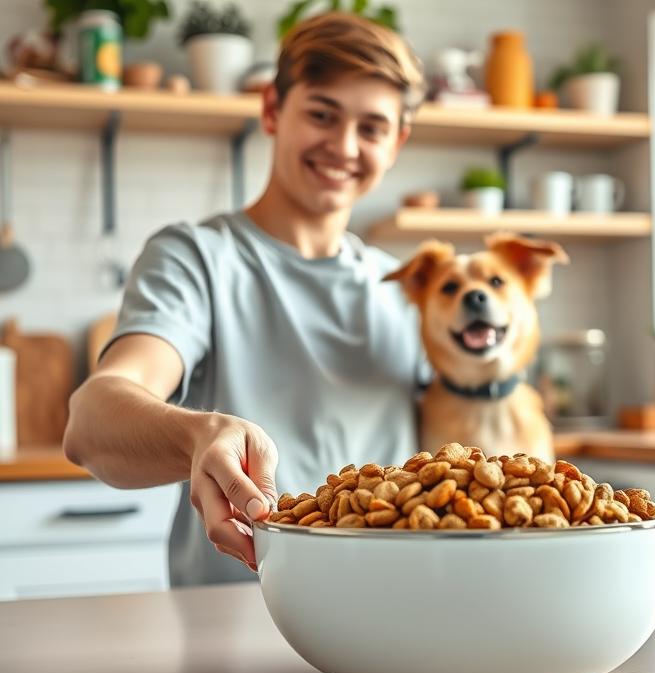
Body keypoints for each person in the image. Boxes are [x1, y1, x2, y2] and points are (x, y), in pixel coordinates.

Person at [63, 13, 426, 586]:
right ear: (272, 110)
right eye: (322, 114)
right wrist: (197, 435)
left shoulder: (414, 289)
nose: (344, 146)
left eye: (373, 127)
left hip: (395, 614)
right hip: (236, 616)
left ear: (398, 143)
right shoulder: (197, 258)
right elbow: (91, 422)